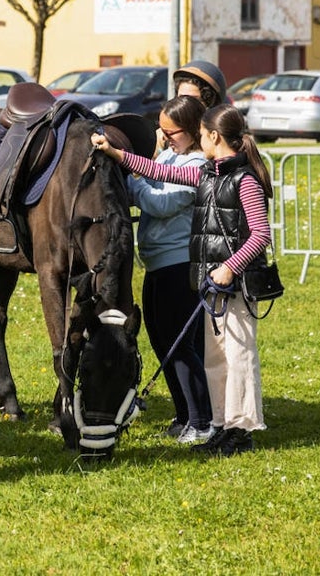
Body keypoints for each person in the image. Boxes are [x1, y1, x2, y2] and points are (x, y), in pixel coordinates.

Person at [92, 104, 272, 457]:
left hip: (233, 284)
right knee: (216, 358)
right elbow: (156, 169)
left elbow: (261, 234)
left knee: (237, 358)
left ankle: (243, 431)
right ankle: (220, 426)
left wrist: (229, 267)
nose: (199, 142)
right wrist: (115, 153)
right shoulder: (207, 174)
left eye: (202, 135)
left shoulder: (245, 180)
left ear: (213, 136)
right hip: (211, 283)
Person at [128, 96, 214, 445]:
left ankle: (201, 420)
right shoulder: (168, 155)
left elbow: (158, 203)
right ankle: (183, 415)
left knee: (181, 346)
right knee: (164, 344)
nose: (164, 137)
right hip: (156, 262)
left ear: (192, 130)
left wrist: (130, 179)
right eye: (160, 130)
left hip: (178, 264)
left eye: (170, 131)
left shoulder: (196, 165)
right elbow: (150, 178)